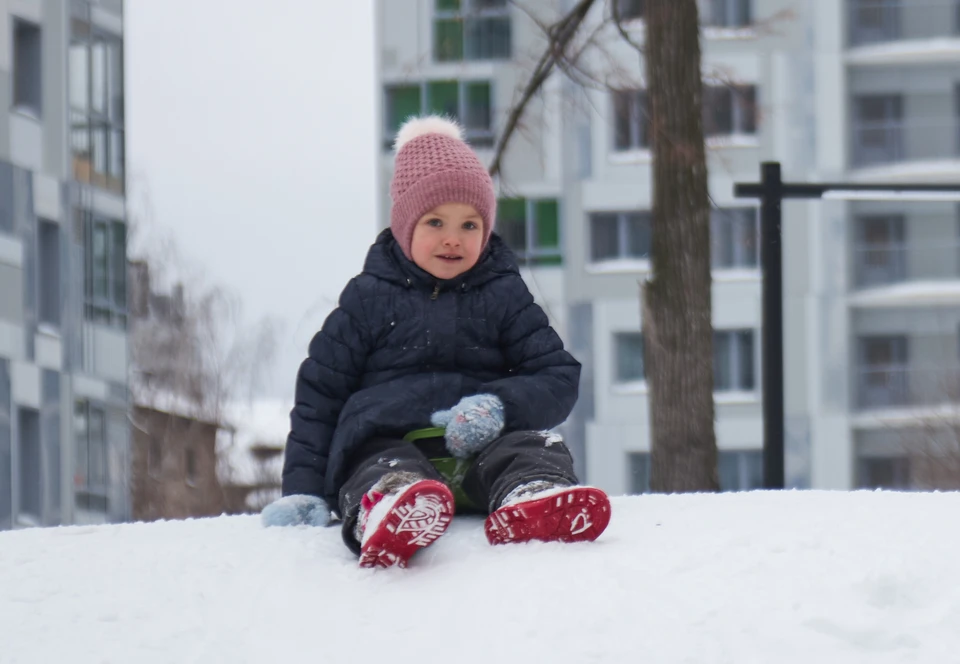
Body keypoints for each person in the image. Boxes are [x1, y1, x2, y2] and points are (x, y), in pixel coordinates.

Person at [261, 115, 611, 568]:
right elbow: (320, 396)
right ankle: (392, 506)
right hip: (390, 441)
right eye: (435, 222)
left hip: (482, 449)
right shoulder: (367, 300)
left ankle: (533, 495)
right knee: (375, 463)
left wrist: (499, 405)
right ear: (406, 227)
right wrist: (304, 491)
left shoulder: (503, 294)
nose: (453, 239)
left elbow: (557, 374)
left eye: (470, 225)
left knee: (534, 447)